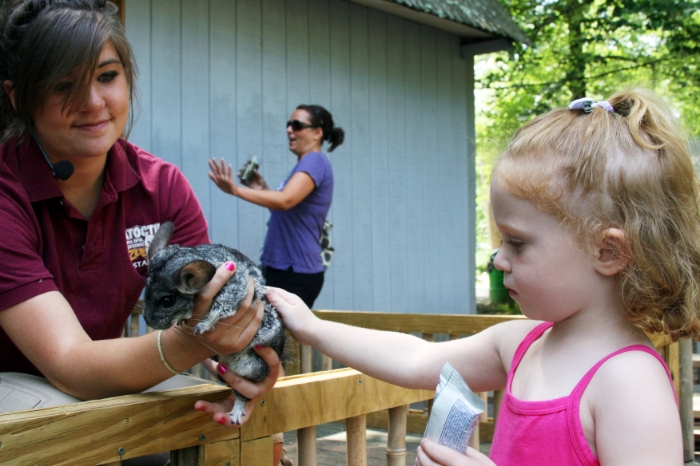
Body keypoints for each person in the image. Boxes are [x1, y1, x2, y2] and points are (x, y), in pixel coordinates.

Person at [266, 88, 700, 465]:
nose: (497, 259)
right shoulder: (520, 345)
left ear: (607, 251)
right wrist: (315, 328)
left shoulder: (631, 383)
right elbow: (414, 358)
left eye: (517, 242)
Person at [0, 0, 279, 432]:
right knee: (72, 428)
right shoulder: (7, 190)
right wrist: (193, 342)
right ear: (17, 95)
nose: (93, 103)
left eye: (107, 76)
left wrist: (250, 366)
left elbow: (210, 305)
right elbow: (69, 363)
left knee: (226, 423)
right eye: (62, 84)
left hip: (100, 377)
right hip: (26, 381)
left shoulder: (161, 187)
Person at [208, 104, 344, 308]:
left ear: (317, 133)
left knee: (278, 338)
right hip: (285, 268)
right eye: (289, 124)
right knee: (272, 335)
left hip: (294, 272)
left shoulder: (315, 161)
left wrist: (235, 190)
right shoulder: (306, 164)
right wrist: (261, 187)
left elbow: (285, 200)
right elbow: (287, 209)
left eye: (297, 125)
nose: (289, 129)